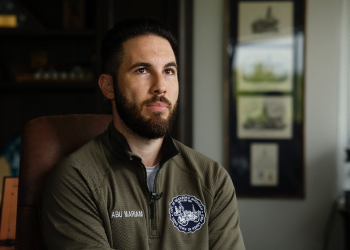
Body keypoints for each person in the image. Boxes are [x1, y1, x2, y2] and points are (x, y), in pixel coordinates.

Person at [41, 18, 245, 250]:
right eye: (142, 70)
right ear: (108, 86)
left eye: (169, 71)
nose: (160, 86)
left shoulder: (212, 179)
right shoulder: (77, 179)